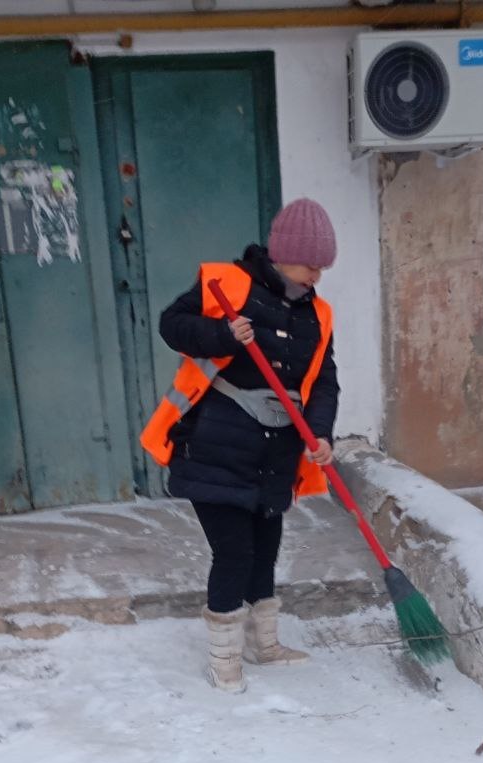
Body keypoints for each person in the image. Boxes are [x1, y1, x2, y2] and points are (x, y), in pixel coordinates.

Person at [140, 198, 340, 693]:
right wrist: (223, 334)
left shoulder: (318, 315)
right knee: (234, 553)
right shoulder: (228, 284)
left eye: (324, 264)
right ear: (283, 253)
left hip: (275, 455)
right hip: (215, 448)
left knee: (265, 550)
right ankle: (224, 657)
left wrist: (320, 434)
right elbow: (172, 325)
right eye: (311, 262)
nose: (318, 272)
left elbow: (323, 383)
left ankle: (264, 644)